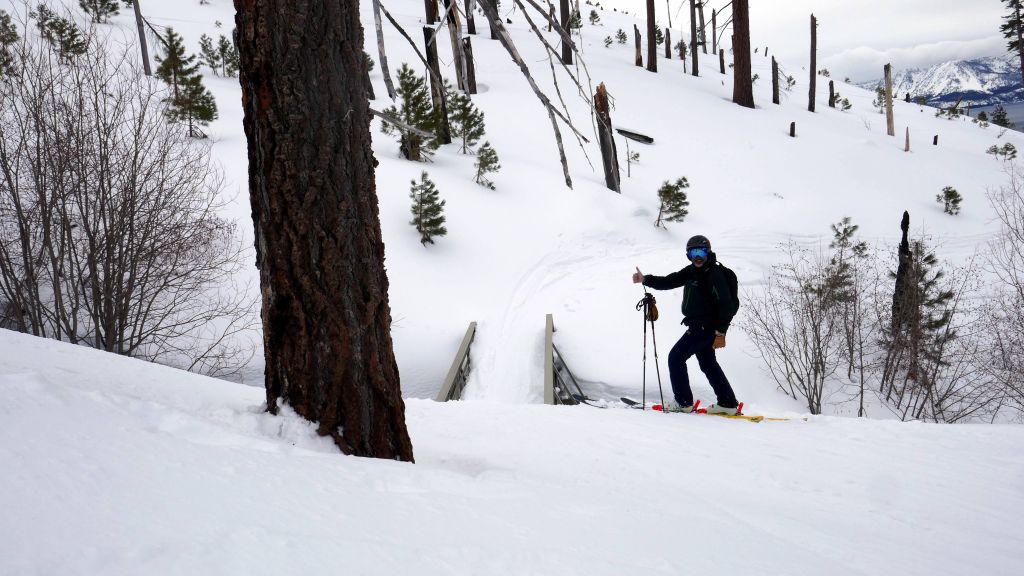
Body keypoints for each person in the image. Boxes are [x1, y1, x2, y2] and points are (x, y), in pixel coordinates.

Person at [631, 235, 739, 414]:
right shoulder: (692, 271)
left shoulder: (714, 274)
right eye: (693, 252)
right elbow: (669, 281)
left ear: (708, 253)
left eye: (701, 252)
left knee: (676, 357)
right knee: (708, 363)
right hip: (700, 326)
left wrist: (721, 331)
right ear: (688, 255)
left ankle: (683, 402)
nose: (698, 257)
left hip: (705, 327)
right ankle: (727, 403)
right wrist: (645, 279)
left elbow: (727, 305)